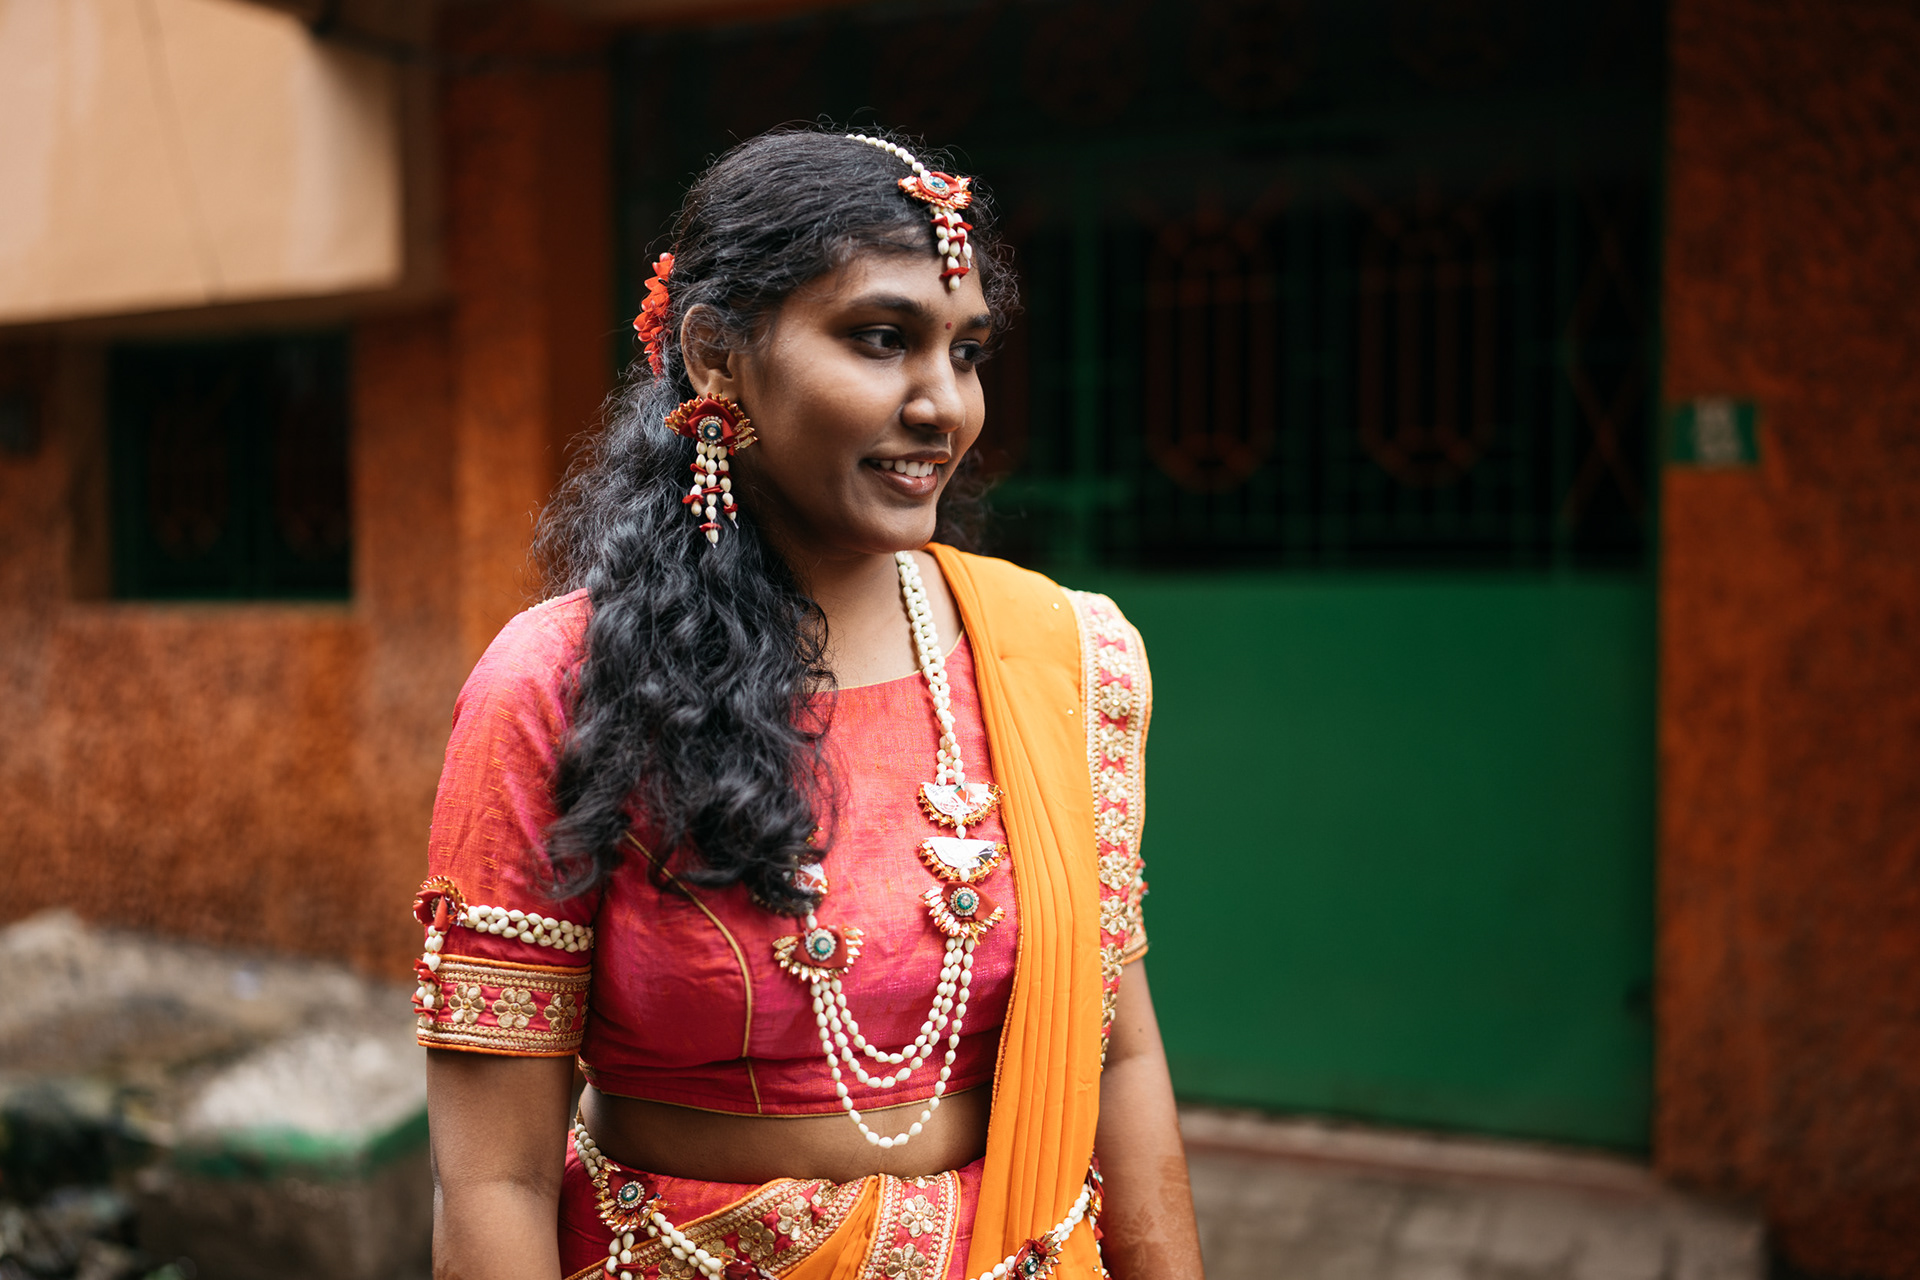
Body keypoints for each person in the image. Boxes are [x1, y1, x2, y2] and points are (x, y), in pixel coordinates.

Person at [411, 126, 1203, 1280]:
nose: (943, 405)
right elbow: (496, 1175)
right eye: (882, 339)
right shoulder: (561, 685)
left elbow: (1118, 1058)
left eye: (966, 351)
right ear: (719, 357)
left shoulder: (1065, 658)